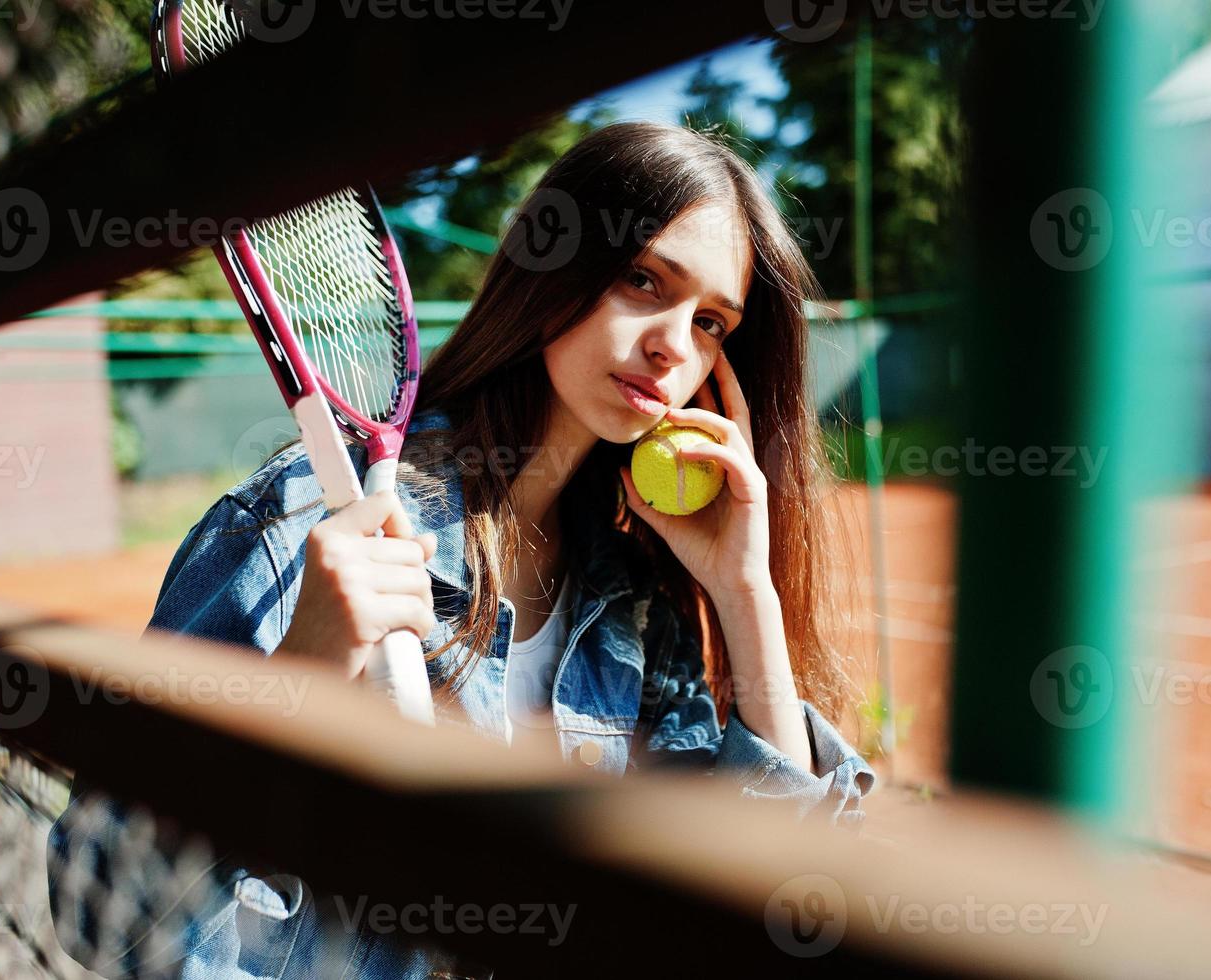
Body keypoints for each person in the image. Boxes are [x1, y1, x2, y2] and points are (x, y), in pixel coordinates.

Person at [48, 120, 875, 979]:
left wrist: (746, 596)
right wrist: (292, 685)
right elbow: (100, 911)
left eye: (710, 322)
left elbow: (757, 889)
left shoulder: (628, 600)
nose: (674, 344)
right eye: (642, 280)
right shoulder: (306, 528)